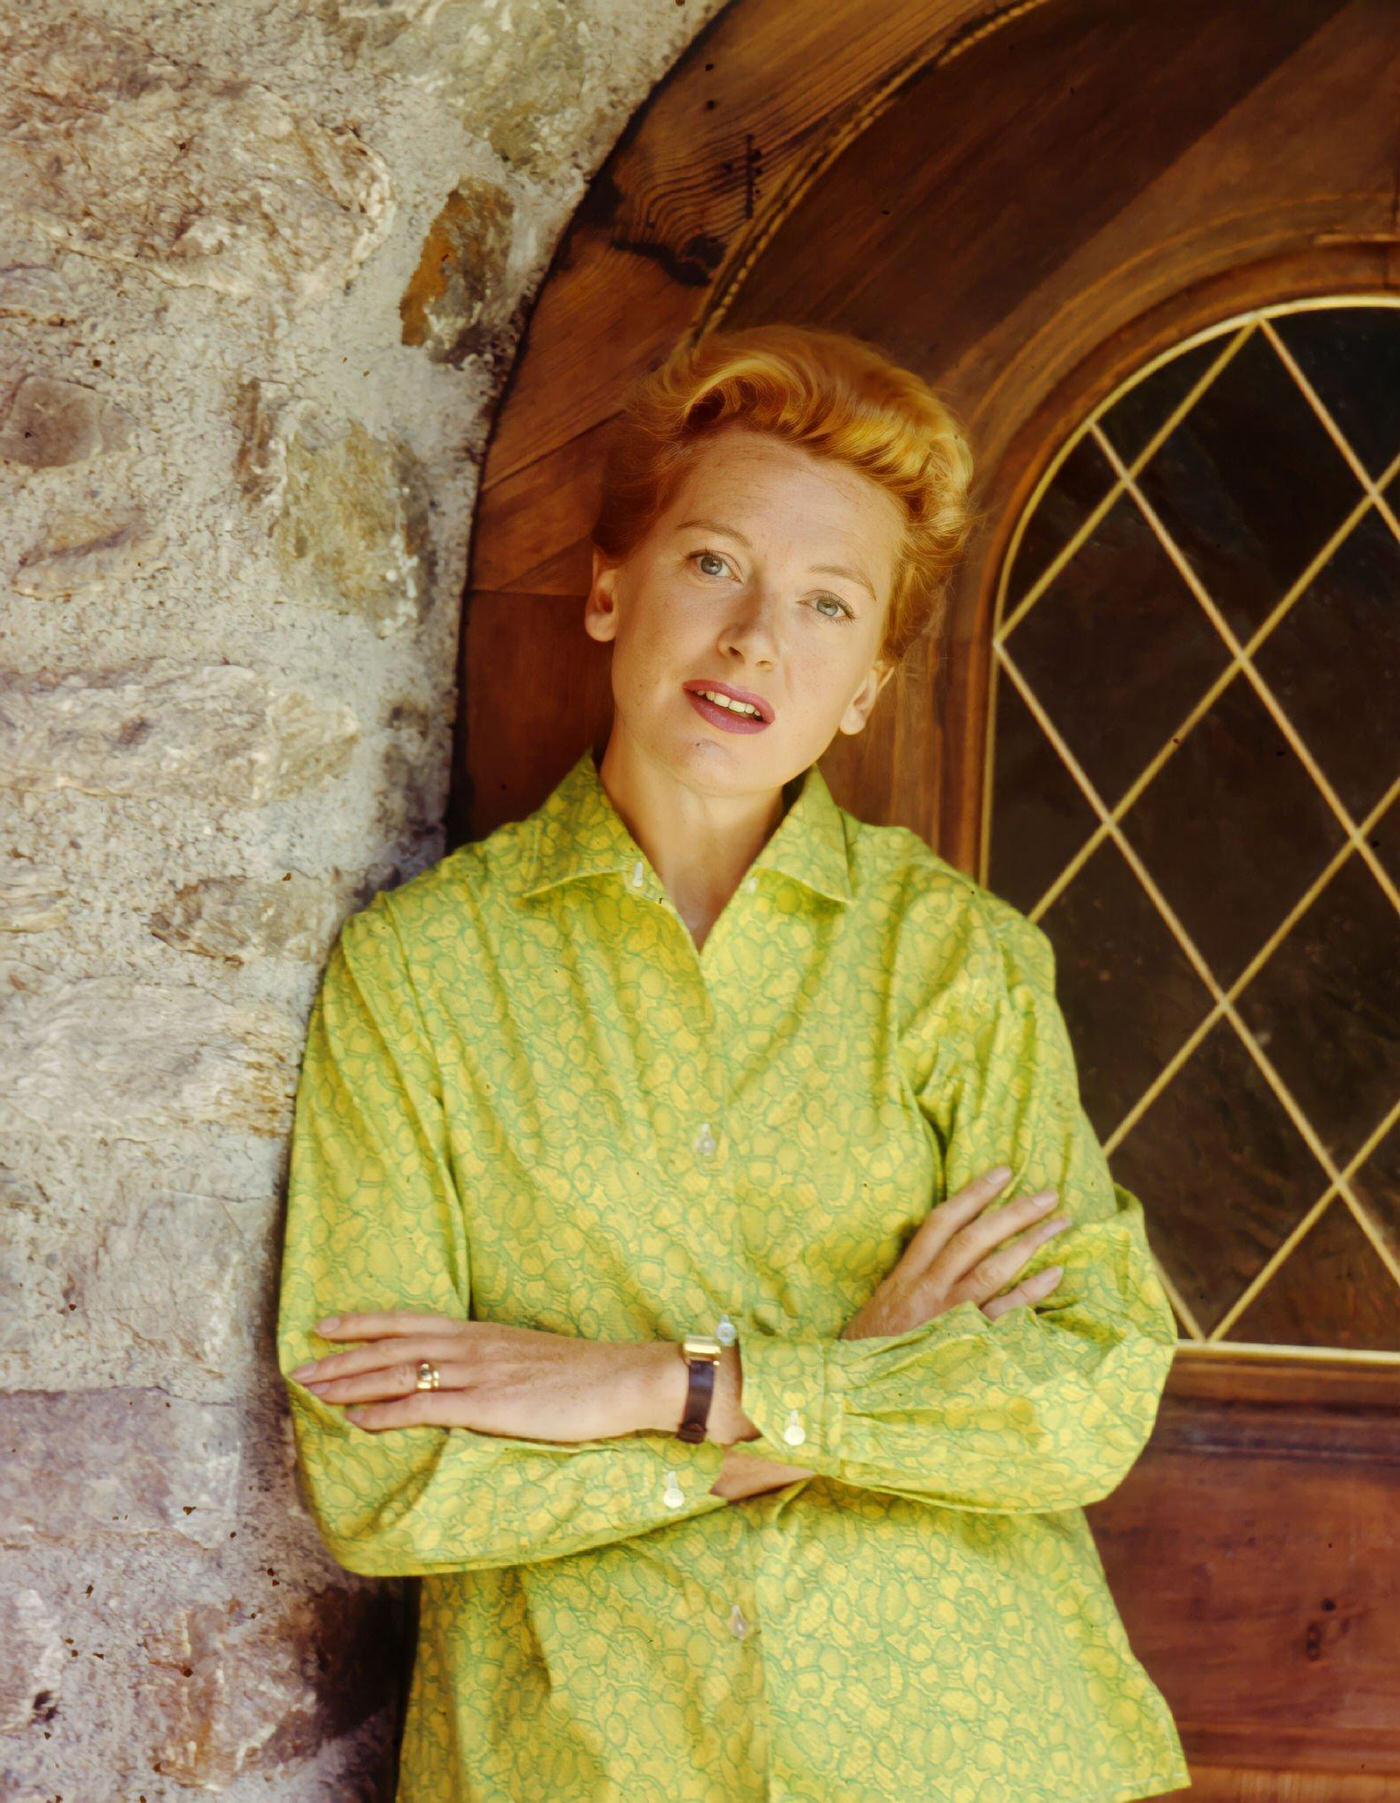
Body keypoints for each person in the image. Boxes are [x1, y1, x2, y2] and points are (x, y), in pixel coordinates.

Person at [276, 323, 1192, 1802]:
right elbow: (385, 1483)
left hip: (964, 1748)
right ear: (606, 590)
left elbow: (1083, 1392)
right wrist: (845, 1395)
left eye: (828, 606)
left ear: (868, 688)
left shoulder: (956, 964)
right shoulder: (422, 978)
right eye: (714, 565)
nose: (759, 638)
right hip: (582, 1756)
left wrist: (660, 1384)